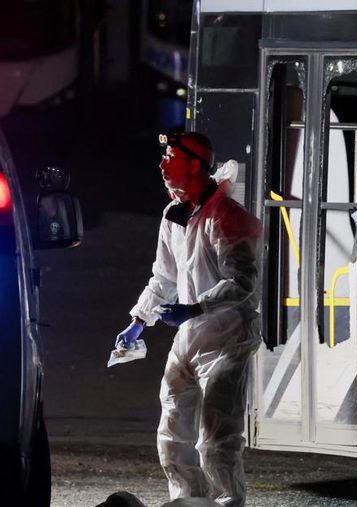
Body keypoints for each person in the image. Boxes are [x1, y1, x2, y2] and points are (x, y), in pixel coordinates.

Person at [114, 132, 262, 507]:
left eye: (170, 156)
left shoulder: (226, 218)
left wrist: (196, 308)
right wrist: (138, 321)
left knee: (216, 438)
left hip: (227, 339)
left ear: (195, 165)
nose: (162, 164)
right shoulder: (175, 216)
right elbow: (163, 277)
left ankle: (226, 503)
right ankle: (187, 502)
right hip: (191, 336)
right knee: (173, 435)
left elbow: (242, 281)